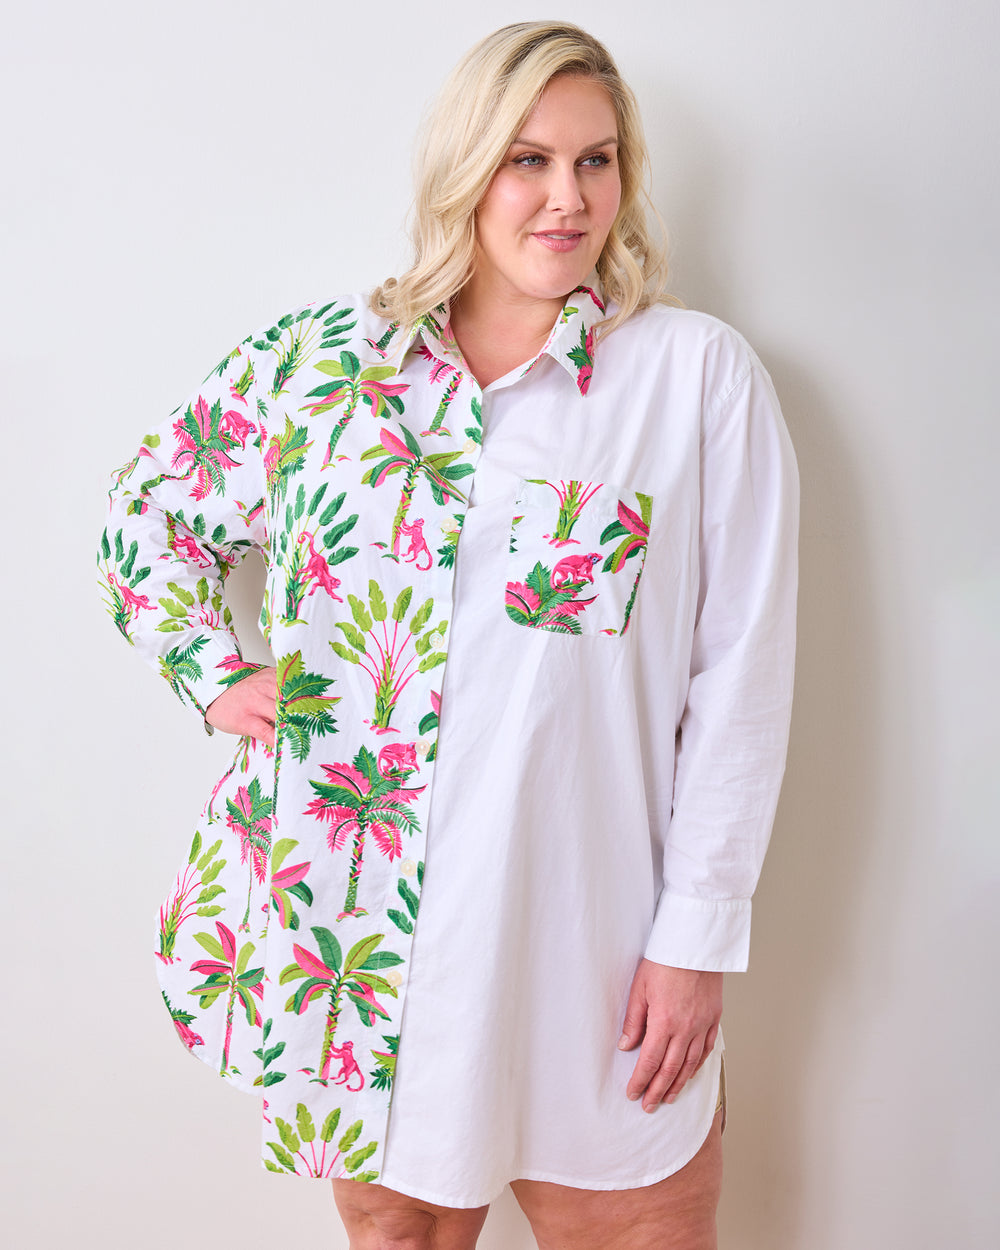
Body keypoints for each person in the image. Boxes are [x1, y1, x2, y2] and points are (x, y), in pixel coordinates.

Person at [100, 20, 798, 1250]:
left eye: (595, 161)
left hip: (589, 938)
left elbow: (741, 675)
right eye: (528, 159)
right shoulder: (320, 367)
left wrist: (695, 937)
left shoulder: (693, 377)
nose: (567, 198)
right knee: (399, 1232)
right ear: (465, 166)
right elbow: (147, 513)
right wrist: (217, 673)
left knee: (640, 1225)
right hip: (359, 946)